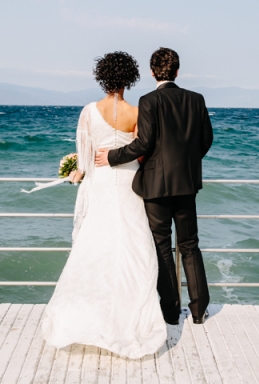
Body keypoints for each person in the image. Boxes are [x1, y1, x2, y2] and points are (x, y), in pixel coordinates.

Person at [40, 51, 167, 359]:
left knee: (95, 246)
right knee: (131, 247)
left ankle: (86, 316)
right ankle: (127, 314)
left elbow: (84, 157)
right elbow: (141, 154)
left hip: (99, 184)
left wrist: (77, 172)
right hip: (128, 184)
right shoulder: (136, 112)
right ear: (129, 79)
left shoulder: (88, 111)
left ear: (102, 77)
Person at [95, 47, 213, 325]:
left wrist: (111, 157)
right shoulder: (196, 99)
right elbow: (206, 139)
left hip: (156, 186)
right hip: (186, 184)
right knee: (190, 245)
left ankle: (171, 313)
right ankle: (198, 311)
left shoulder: (149, 101)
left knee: (161, 247)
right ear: (177, 71)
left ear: (152, 72)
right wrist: (188, 163)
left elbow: (144, 144)